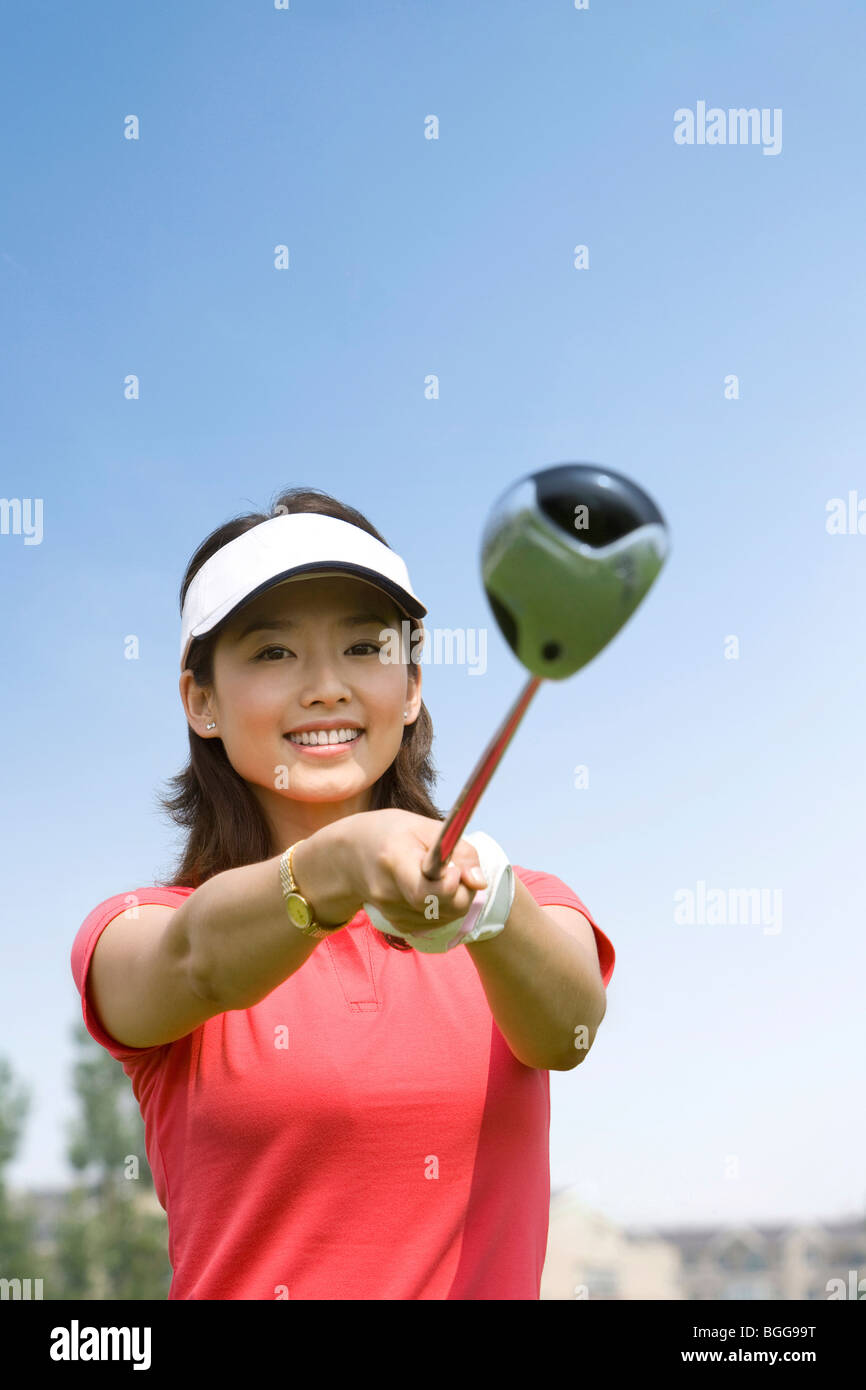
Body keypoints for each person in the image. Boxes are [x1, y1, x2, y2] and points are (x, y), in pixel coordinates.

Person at [70, 486, 615, 1300]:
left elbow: (567, 1032)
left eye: (365, 648)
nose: (327, 687)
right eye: (273, 653)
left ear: (414, 685)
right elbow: (196, 964)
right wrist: (341, 864)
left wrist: (487, 904)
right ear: (202, 702)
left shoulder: (519, 899)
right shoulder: (141, 928)